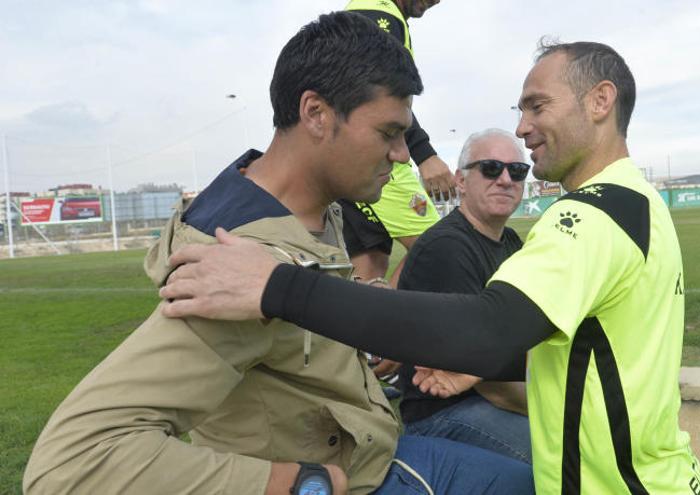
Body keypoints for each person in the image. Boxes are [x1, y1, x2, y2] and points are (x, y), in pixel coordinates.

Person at [160, 41, 700, 494]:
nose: (522, 126)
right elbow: (595, 342)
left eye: (536, 106)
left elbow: (488, 330)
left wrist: (276, 286)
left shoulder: (588, 214)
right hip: (664, 475)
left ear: (600, 101)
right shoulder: (641, 203)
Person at [23, 12, 534, 495]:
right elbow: (71, 461)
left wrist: (358, 328)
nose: (402, 155)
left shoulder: (314, 209)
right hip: (356, 480)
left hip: (381, 451)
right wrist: (295, 484)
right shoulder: (237, 263)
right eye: (388, 133)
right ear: (315, 113)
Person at [397, 128, 531, 464]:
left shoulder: (512, 243)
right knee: (568, 451)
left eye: (517, 171)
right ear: (460, 181)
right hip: (443, 413)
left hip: (492, 397)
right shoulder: (448, 248)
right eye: (490, 168)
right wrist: (556, 406)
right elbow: (492, 385)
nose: (505, 179)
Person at [340, 0, 455, 287]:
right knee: (437, 248)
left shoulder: (368, 10)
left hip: (353, 155)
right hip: (378, 158)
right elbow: (382, 93)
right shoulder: (380, 14)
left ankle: (358, 327)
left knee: (369, 259)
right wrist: (425, 154)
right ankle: (388, 322)